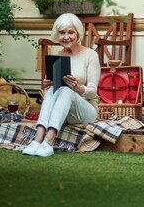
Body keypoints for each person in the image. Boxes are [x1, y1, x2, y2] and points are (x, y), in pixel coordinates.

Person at [22, 13, 100, 157]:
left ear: (78, 34)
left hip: (86, 109)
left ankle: (49, 141)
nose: (66, 37)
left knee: (66, 90)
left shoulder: (90, 55)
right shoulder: (58, 55)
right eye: (62, 33)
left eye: (70, 32)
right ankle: (38, 140)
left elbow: (93, 92)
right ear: (56, 35)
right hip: (63, 111)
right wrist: (48, 85)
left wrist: (78, 88)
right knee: (53, 89)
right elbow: (52, 93)